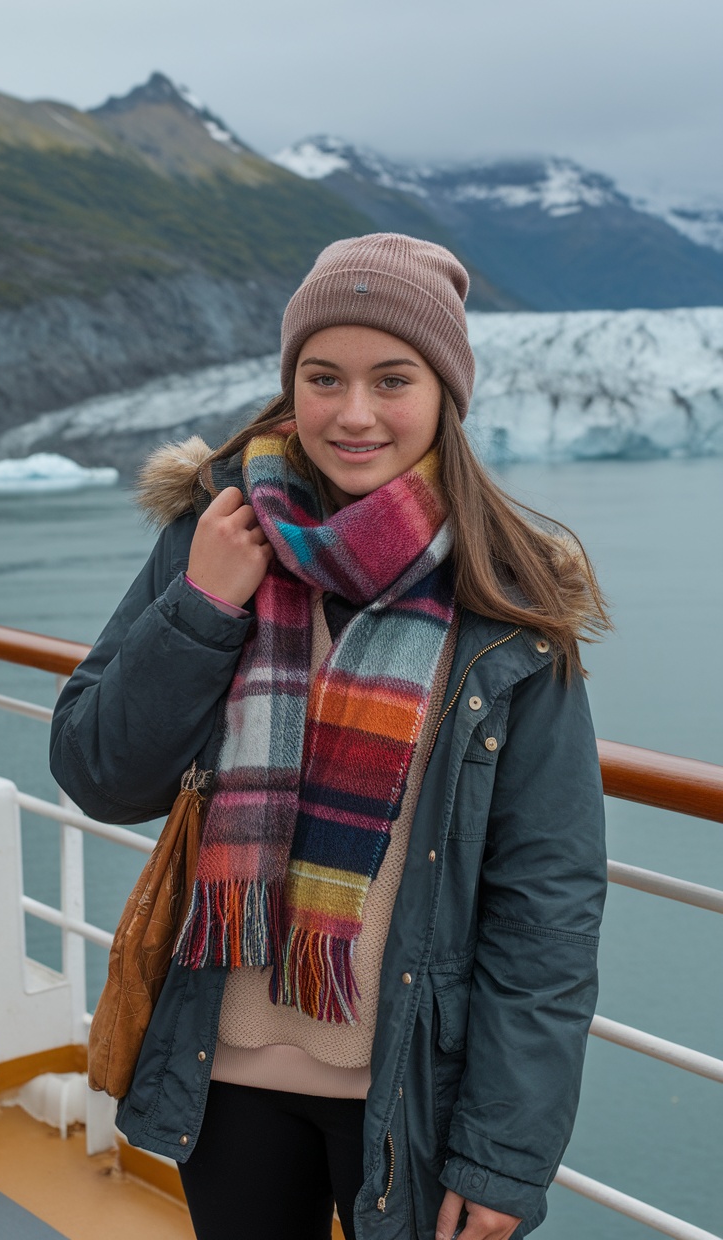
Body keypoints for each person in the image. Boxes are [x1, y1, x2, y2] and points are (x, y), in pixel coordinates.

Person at [50, 233, 609, 1240]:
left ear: (444, 393)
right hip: (220, 1067)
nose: (353, 413)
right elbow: (99, 770)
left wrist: (503, 1154)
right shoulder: (215, 532)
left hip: (408, 1082)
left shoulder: (510, 594)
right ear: (292, 384)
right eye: (324, 377)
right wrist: (204, 608)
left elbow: (547, 905)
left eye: (392, 378)